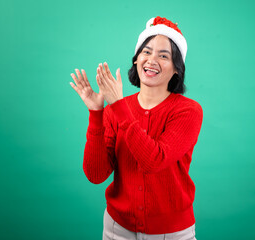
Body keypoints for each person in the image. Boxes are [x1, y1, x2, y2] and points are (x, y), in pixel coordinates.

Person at [70, 16, 203, 240]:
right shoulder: (115, 109)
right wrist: (96, 113)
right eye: (146, 52)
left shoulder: (188, 111)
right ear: (136, 59)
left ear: (177, 69)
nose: (152, 60)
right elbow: (96, 174)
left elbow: (154, 160)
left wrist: (119, 106)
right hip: (116, 229)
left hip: (172, 233)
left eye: (164, 55)